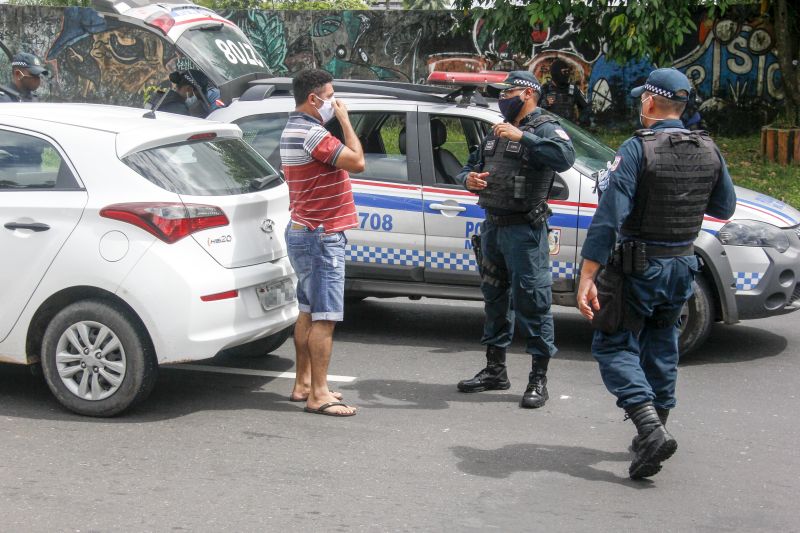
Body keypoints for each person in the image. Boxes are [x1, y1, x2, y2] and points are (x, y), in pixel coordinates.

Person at [576, 68, 736, 479]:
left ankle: (649, 429)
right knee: (662, 342)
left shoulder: (636, 149)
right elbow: (724, 207)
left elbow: (610, 216)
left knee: (613, 345)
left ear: (649, 102)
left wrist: (588, 274)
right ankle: (658, 429)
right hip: (682, 265)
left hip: (638, 268)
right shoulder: (709, 149)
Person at [456, 71, 575, 409]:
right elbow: (467, 168)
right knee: (495, 299)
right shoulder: (495, 132)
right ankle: (495, 371)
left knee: (533, 303)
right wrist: (470, 180)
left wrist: (523, 137)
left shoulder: (545, 128)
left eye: (505, 92)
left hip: (525, 230)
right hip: (493, 226)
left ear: (526, 94)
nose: (500, 99)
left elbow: (565, 159)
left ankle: (538, 380)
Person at [280, 69, 365, 417]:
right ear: (314, 99)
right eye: (330, 96)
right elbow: (357, 161)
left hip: (304, 230)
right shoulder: (313, 134)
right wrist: (345, 121)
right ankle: (319, 393)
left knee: (307, 309)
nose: (335, 101)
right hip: (321, 234)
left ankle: (303, 384)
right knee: (325, 317)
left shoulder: (292, 128)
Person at [540, 58, 589, 125]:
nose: (567, 74)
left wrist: (580, 122)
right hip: (550, 129)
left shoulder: (572, 89)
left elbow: (585, 107)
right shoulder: (545, 89)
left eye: (568, 71)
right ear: (556, 73)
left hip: (569, 129)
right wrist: (545, 103)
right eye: (564, 72)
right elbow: (534, 109)